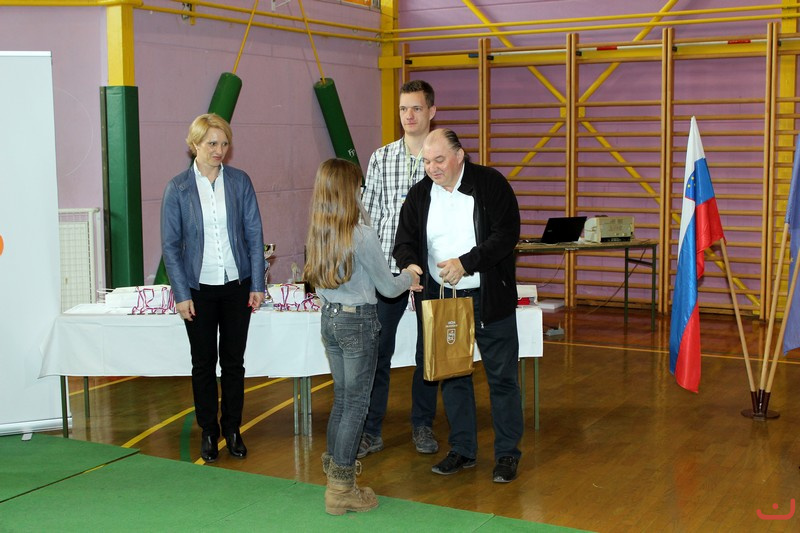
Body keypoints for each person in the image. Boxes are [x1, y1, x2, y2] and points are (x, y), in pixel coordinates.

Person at [393, 128, 524, 483]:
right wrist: (410, 265)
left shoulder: (490, 184)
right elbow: (404, 241)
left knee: (502, 378)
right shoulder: (420, 195)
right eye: (426, 161)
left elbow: (506, 234)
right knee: (452, 376)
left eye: (439, 160)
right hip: (443, 298)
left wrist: (466, 263)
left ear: (460, 155)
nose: (432, 168)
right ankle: (463, 449)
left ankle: (507, 454)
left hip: (490, 297)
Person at [303, 158, 422, 514]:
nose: (361, 191)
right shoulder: (361, 235)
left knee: (342, 400)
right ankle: (342, 487)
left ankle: (335, 476)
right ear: (349, 190)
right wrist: (410, 275)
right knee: (356, 405)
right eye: (358, 186)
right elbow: (388, 288)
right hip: (357, 323)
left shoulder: (319, 231)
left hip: (330, 319)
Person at [160, 113, 265, 463]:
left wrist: (257, 283)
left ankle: (233, 428)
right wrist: (181, 294)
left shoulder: (240, 182)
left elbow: (254, 235)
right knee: (203, 363)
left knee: (234, 363)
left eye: (224, 143)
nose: (219, 150)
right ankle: (208, 430)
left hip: (237, 286)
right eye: (212, 143)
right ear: (194, 145)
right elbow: (170, 246)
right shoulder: (177, 188)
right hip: (198, 290)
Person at [358, 79, 440, 458]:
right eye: (404, 109)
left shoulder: (443, 159)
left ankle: (423, 425)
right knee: (378, 352)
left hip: (432, 272)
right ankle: (371, 430)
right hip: (387, 271)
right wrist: (369, 267)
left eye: (416, 108)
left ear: (431, 111)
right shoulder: (381, 157)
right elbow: (368, 216)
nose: (409, 115)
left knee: (428, 353)